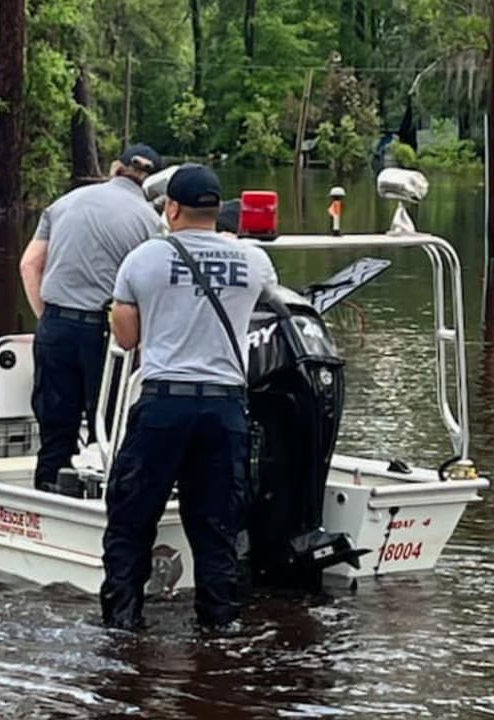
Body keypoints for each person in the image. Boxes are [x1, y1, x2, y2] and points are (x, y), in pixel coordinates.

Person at [100, 164, 277, 629]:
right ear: (218, 210)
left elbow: (127, 338)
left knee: (130, 522)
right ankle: (220, 631)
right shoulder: (253, 260)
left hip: (164, 405)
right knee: (217, 529)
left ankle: (122, 628)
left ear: (171, 208)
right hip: (224, 410)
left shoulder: (143, 259)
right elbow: (267, 309)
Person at [19, 144, 164, 494]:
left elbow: (29, 265)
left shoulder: (65, 203)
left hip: (55, 325)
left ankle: (49, 491)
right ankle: (108, 499)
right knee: (111, 427)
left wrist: (47, 318)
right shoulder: (150, 221)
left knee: (55, 427)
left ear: (116, 167)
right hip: (107, 335)